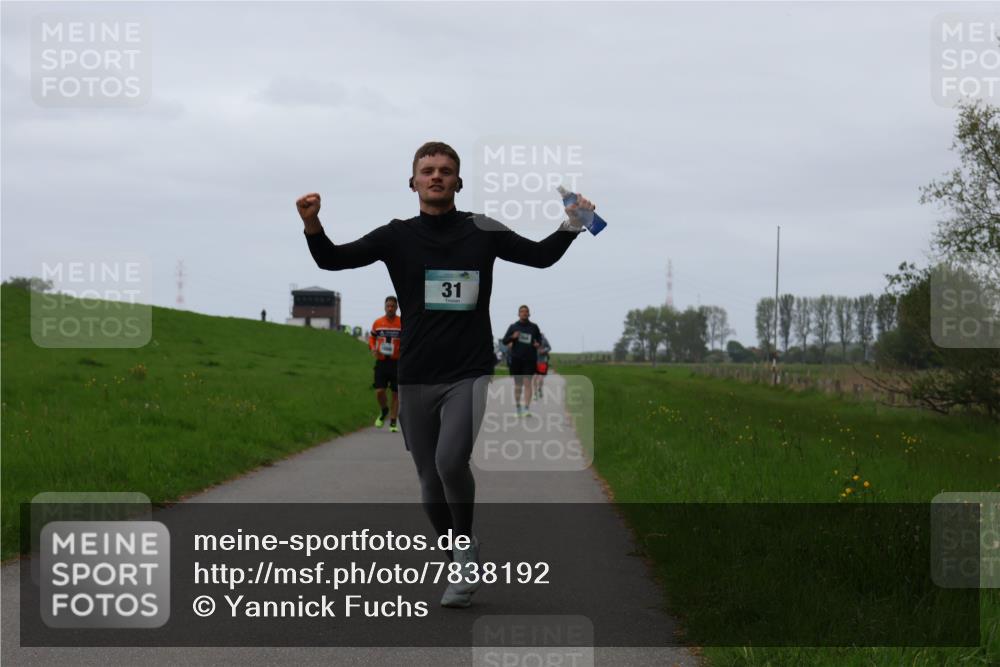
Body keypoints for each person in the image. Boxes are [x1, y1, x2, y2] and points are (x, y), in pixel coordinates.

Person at [297, 141, 595, 608]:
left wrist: (572, 223)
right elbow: (332, 259)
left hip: (469, 370)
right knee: (428, 481)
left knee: (450, 462)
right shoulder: (396, 236)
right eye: (428, 170)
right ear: (413, 182)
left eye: (445, 170)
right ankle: (460, 555)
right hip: (416, 372)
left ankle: (465, 544)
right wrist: (312, 223)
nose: (436, 176)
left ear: (458, 182)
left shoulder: (483, 229)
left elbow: (540, 256)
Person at [502, 306, 543, 417]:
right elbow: (504, 341)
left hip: (530, 359)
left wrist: (538, 344)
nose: (524, 313)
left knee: (527, 383)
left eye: (526, 311)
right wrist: (512, 337)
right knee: (518, 385)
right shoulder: (513, 327)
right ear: (518, 314)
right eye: (522, 311)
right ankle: (518, 408)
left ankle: (526, 409)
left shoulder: (534, 327)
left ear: (529, 314)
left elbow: (539, 339)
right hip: (516, 359)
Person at [369, 296, 402, 432]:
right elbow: (372, 338)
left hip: (397, 363)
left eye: (392, 306)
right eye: (388, 306)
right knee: (379, 391)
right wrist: (373, 348)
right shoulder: (378, 322)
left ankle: (393, 422)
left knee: (396, 393)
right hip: (382, 362)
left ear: (396, 307)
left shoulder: (402, 322)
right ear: (384, 307)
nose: (390, 308)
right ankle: (384, 410)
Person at [534, 332, 551, 399]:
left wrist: (543, 351)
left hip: (541, 361)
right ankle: (538, 391)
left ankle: (537, 392)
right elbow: (549, 348)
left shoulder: (542, 339)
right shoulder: (541, 339)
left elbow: (549, 348)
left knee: (537, 377)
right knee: (537, 377)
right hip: (536, 361)